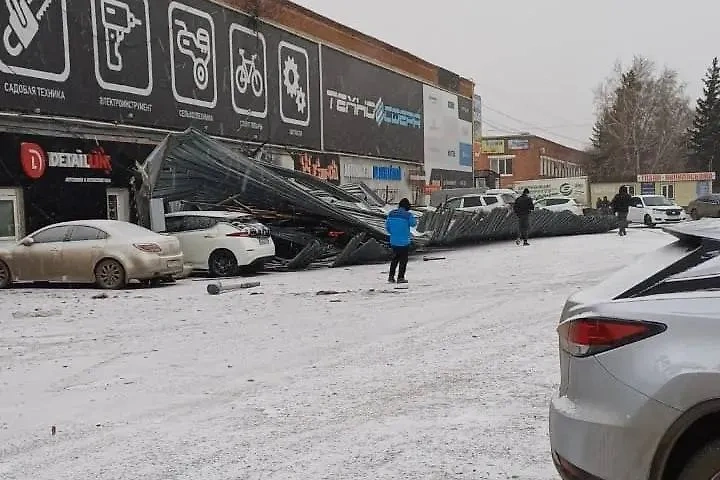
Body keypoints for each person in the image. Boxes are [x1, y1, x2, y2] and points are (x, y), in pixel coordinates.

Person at [385, 198, 416, 283]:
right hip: (404, 241)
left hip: (394, 241)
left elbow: (387, 227)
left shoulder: (391, 213)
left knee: (395, 259)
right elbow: (413, 224)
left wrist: (393, 233)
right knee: (403, 260)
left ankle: (391, 277)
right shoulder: (408, 215)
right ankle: (400, 277)